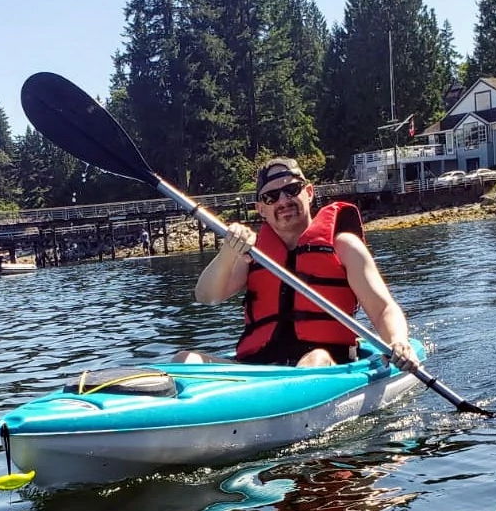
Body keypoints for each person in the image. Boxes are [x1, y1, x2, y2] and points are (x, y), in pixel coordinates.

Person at [179, 158, 418, 371]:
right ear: (261, 209)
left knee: (315, 359)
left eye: (292, 190)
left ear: (309, 192)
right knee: (185, 359)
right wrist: (228, 252)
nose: (283, 200)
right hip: (259, 368)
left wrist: (397, 340)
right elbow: (206, 296)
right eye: (271, 197)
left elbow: (382, 309)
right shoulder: (251, 254)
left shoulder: (344, 246)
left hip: (326, 364)